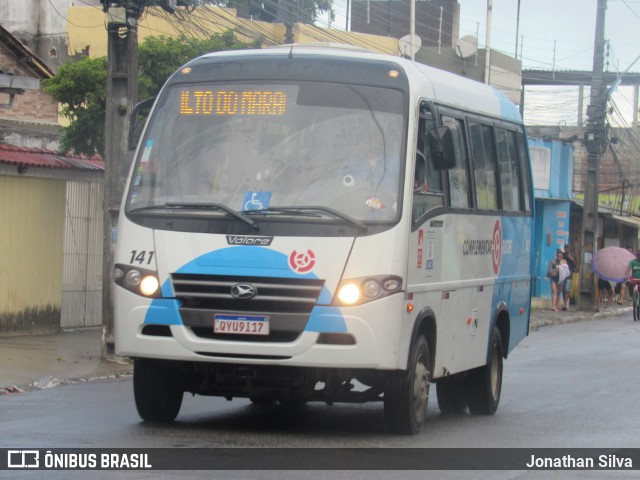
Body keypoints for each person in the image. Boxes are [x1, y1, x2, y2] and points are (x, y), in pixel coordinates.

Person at [561, 244, 576, 310]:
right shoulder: (562, 255)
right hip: (562, 274)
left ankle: (565, 304)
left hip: (569, 274)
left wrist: (572, 259)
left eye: (568, 249)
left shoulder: (573, 256)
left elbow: (575, 265)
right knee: (563, 289)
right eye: (566, 249)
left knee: (567, 289)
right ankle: (565, 302)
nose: (567, 250)